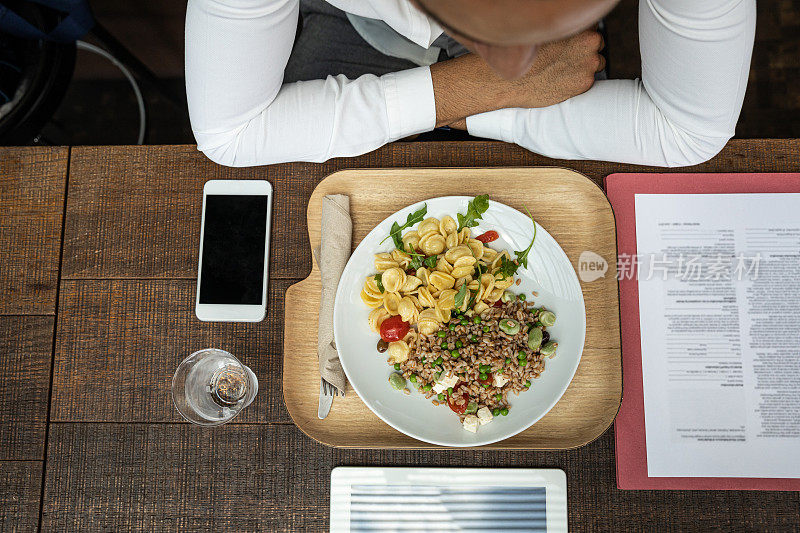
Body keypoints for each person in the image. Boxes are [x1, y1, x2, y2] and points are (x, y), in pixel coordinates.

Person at [185, 0, 755, 168]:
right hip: (354, 17)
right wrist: (481, 89)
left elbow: (687, 132)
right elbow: (230, 132)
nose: (508, 63)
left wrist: (480, 92)